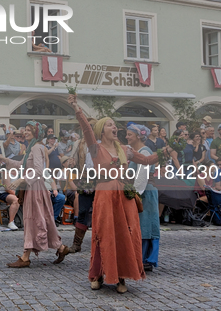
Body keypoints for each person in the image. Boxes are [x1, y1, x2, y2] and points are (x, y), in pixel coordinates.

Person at [69, 93, 165, 293]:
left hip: (124, 197)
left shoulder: (125, 149)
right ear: (101, 130)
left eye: (115, 124)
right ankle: (97, 275)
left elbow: (147, 161)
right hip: (104, 195)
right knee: (103, 234)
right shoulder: (95, 149)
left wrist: (167, 151)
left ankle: (122, 277)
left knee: (124, 235)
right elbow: (86, 129)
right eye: (109, 124)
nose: (114, 127)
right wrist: (77, 108)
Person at [0, 121, 70, 268]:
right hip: (33, 188)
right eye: (25, 130)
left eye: (29, 130)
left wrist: (21, 180)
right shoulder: (32, 147)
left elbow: (38, 171)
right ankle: (61, 248)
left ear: (36, 132)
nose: (25, 132)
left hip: (35, 189)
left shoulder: (37, 147)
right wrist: (7, 161)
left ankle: (26, 257)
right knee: (43, 220)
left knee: (33, 220)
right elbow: (23, 165)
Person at [126, 123, 160, 273]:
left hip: (145, 191)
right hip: (142, 191)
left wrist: (135, 193)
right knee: (141, 222)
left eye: (129, 135)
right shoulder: (137, 151)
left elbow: (142, 176)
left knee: (146, 224)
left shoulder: (144, 152)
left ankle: (146, 258)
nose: (127, 137)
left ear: (139, 136)